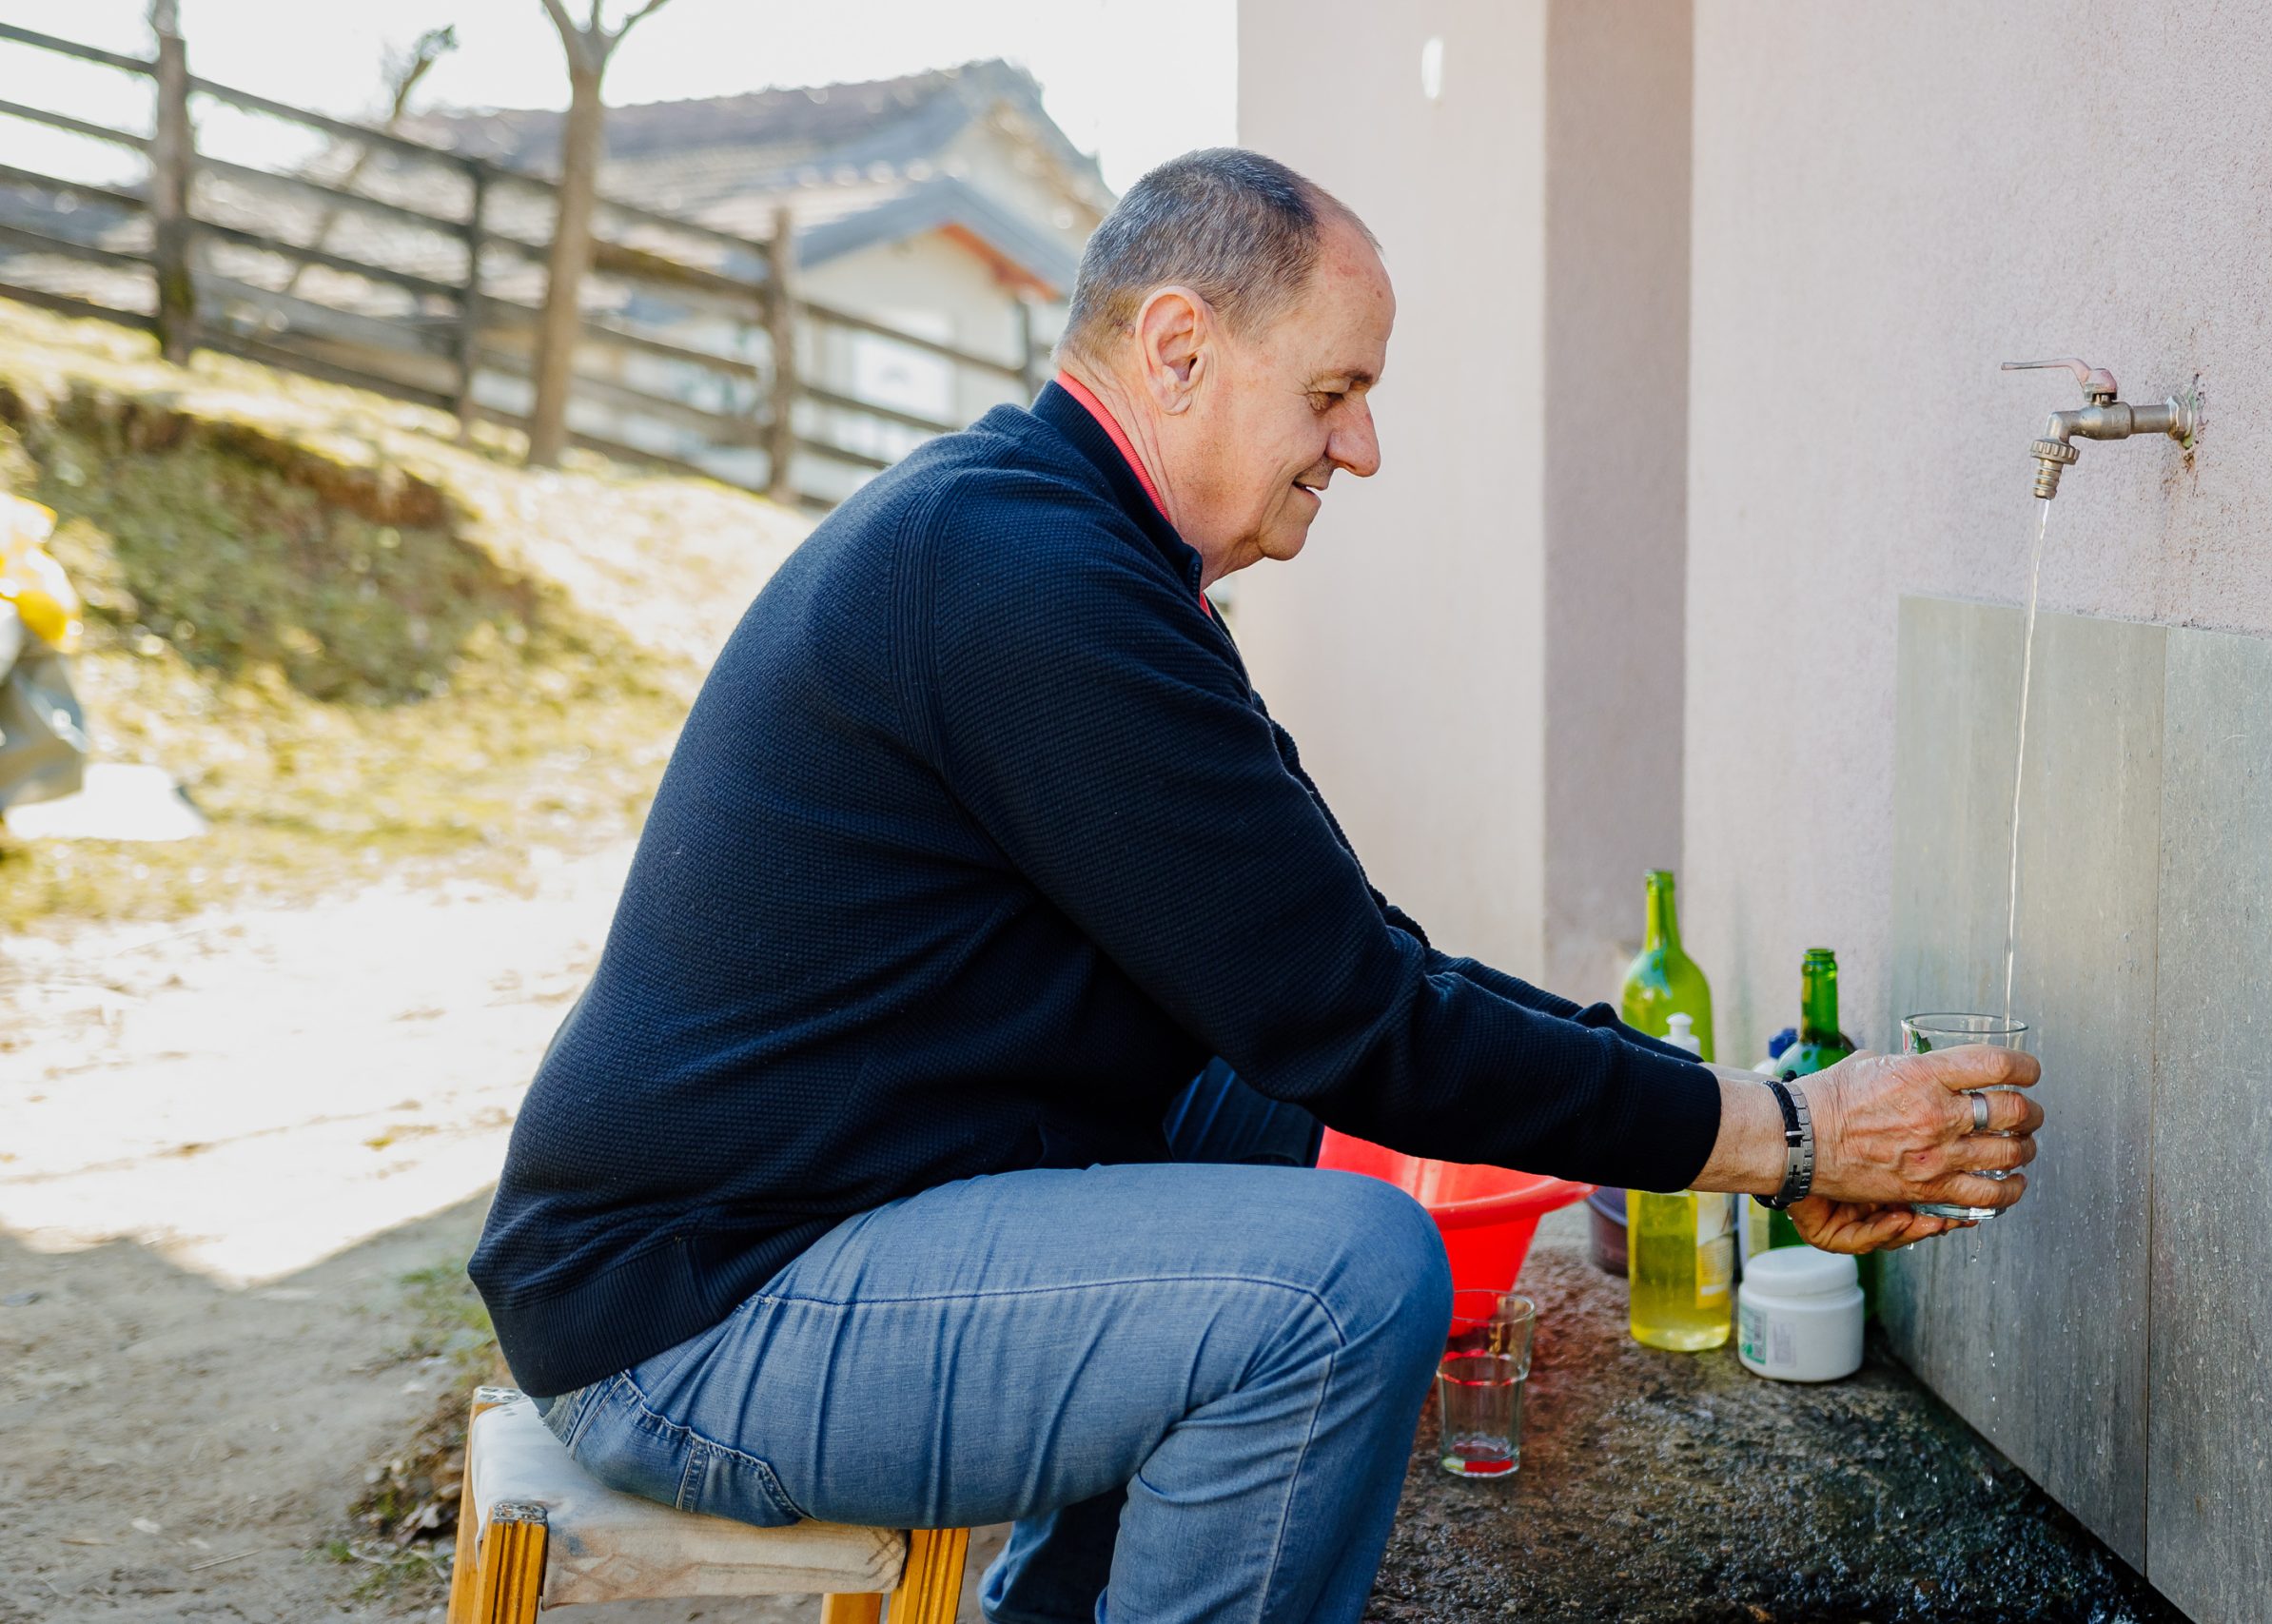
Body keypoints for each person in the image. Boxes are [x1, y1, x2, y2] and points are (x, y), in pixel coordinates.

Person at [468, 148, 2041, 1624]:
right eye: (1334, 393)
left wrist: (1734, 1123)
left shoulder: (1071, 557)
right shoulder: (1026, 584)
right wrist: (1780, 1137)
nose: (1361, 447)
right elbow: (1360, 1020)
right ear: (1179, 348)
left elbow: (1356, 971)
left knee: (1260, 1127)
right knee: (1342, 1283)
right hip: (695, 1317)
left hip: (799, 1243)